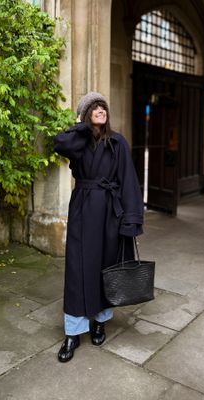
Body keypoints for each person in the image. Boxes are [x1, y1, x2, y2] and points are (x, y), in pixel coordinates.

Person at [53, 92, 144, 362]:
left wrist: (131, 219)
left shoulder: (118, 142)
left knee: (107, 266)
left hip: (110, 211)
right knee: (78, 268)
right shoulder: (78, 142)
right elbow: (60, 144)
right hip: (83, 208)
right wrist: (83, 126)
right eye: (94, 106)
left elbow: (129, 181)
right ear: (86, 113)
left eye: (103, 105)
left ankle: (101, 321)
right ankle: (73, 333)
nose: (101, 109)